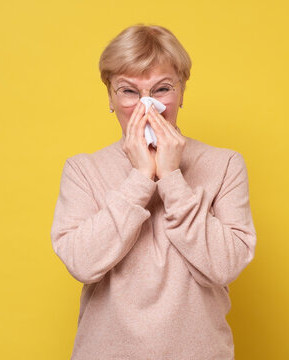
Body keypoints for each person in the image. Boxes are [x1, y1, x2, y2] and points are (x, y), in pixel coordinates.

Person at [50, 24, 257, 360]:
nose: (147, 108)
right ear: (110, 98)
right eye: (129, 92)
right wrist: (141, 177)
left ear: (182, 92)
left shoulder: (226, 165)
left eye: (161, 89)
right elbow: (81, 263)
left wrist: (172, 177)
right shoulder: (82, 170)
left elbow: (225, 265)